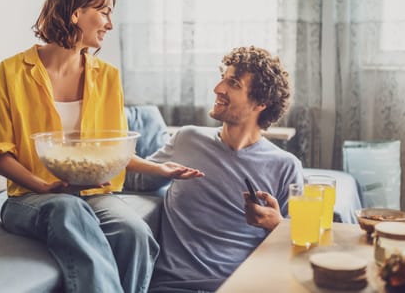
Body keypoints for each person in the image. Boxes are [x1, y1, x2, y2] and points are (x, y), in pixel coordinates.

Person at [0, 0, 202, 293]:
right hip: (30, 198)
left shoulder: (107, 77)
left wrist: (159, 168)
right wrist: (44, 186)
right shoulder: (12, 72)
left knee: (135, 232)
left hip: (93, 195)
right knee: (66, 207)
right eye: (104, 12)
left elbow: (113, 152)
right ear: (75, 12)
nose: (110, 24)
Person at [126, 46, 304, 292]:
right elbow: (133, 179)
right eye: (223, 79)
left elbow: (302, 249)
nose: (218, 89)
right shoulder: (186, 139)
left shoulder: (285, 166)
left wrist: (276, 225)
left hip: (241, 287)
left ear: (261, 103)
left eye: (233, 83)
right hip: (172, 287)